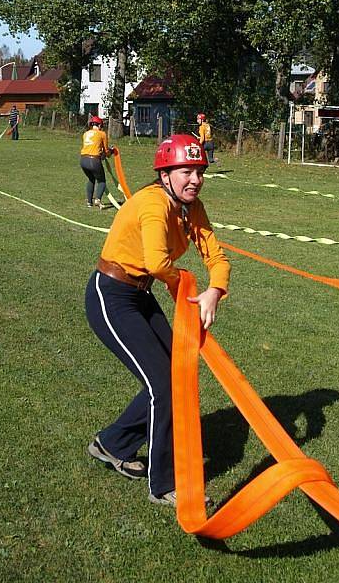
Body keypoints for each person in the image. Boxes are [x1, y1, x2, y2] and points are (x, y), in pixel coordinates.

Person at [85, 134, 230, 506]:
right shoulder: (152, 203)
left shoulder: (191, 207)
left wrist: (214, 290)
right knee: (164, 385)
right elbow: (156, 262)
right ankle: (165, 484)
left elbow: (217, 257)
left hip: (141, 294)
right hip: (111, 295)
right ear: (164, 174)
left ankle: (112, 443)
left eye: (199, 171)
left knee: (174, 374)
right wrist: (184, 284)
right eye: (186, 171)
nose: (195, 179)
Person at [80, 115, 113, 208]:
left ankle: (89, 202)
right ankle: (97, 199)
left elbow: (92, 147)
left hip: (83, 160)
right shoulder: (102, 134)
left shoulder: (85, 134)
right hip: (93, 161)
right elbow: (106, 152)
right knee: (102, 181)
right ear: (99, 125)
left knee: (91, 179)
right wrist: (111, 151)